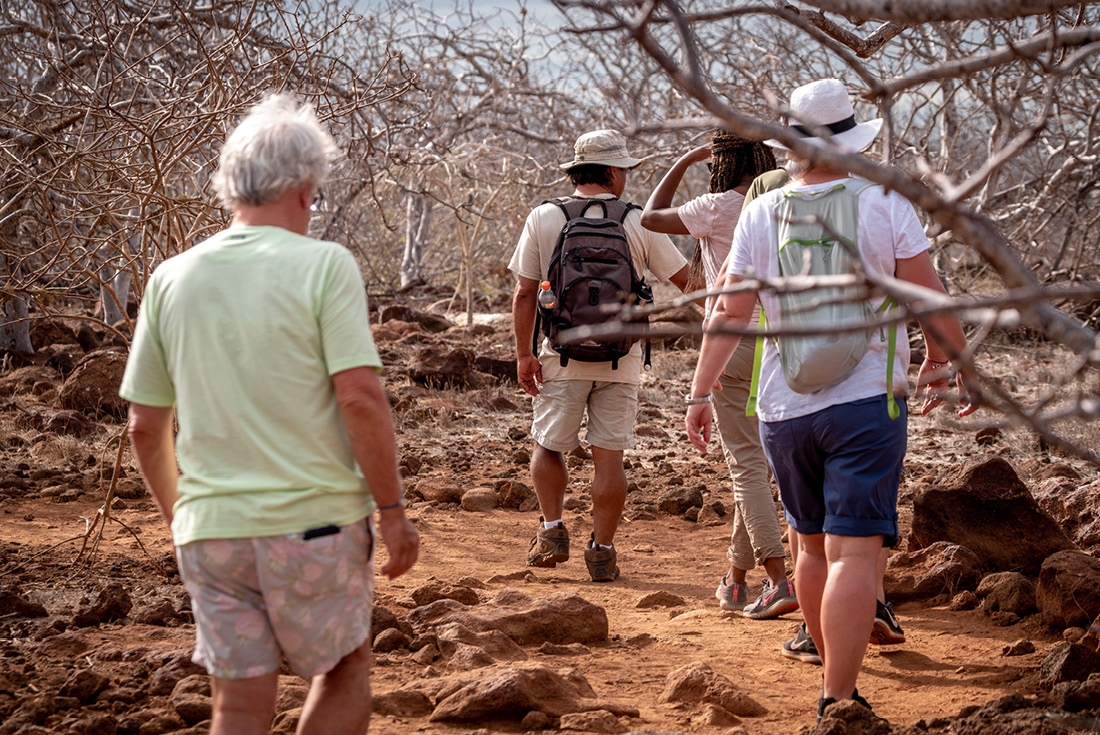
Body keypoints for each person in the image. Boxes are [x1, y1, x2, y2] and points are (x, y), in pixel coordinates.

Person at [120, 94, 419, 735]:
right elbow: (359, 398)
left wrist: (185, 519)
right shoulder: (325, 265)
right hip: (315, 526)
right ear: (305, 189)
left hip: (212, 531)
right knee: (343, 672)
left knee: (237, 705)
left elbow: (144, 426)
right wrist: (392, 512)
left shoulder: (171, 277)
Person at [683, 79, 979, 718]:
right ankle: (838, 699)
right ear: (850, 140)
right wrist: (952, 362)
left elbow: (729, 312)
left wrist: (700, 392)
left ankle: (830, 681)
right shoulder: (884, 200)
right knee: (854, 552)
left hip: (784, 407)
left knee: (811, 547)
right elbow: (929, 296)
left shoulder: (762, 210)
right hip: (867, 401)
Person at [511, 129, 690, 582]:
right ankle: (603, 552)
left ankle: (552, 530)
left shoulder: (544, 216)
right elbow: (689, 282)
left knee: (548, 445)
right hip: (621, 360)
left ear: (577, 171)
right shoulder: (639, 221)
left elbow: (524, 292)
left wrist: (523, 355)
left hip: (559, 355)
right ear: (613, 172)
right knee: (609, 459)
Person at [640, 131, 797, 619]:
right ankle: (736, 579)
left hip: (733, 343)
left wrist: (687, 158)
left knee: (746, 465)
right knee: (757, 465)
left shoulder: (716, 206)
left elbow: (650, 217)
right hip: (786, 343)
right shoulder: (784, 203)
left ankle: (779, 581)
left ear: (721, 164)